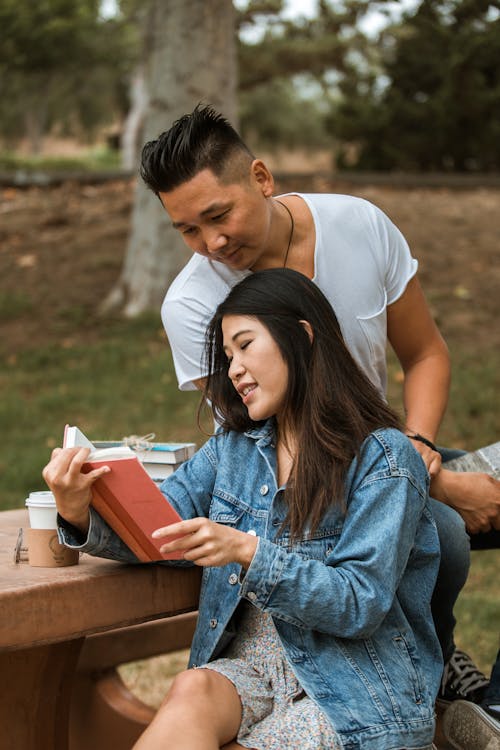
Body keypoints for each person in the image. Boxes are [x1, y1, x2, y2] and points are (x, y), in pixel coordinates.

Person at [138, 103, 499, 703]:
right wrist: (434, 486)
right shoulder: (191, 306)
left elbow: (427, 353)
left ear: (261, 178)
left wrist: (421, 450)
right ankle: (435, 670)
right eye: (188, 230)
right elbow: (271, 445)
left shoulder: (361, 225)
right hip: (313, 487)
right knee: (446, 533)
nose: (212, 243)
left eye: (218, 215)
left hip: (396, 449)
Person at [44, 268, 443, 750]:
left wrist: (249, 551)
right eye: (228, 355)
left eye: (245, 345)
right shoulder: (232, 450)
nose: (232, 369)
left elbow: (359, 604)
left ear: (302, 335)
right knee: (192, 687)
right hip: (252, 668)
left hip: (353, 687)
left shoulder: (384, 457)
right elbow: (157, 529)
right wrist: (78, 509)